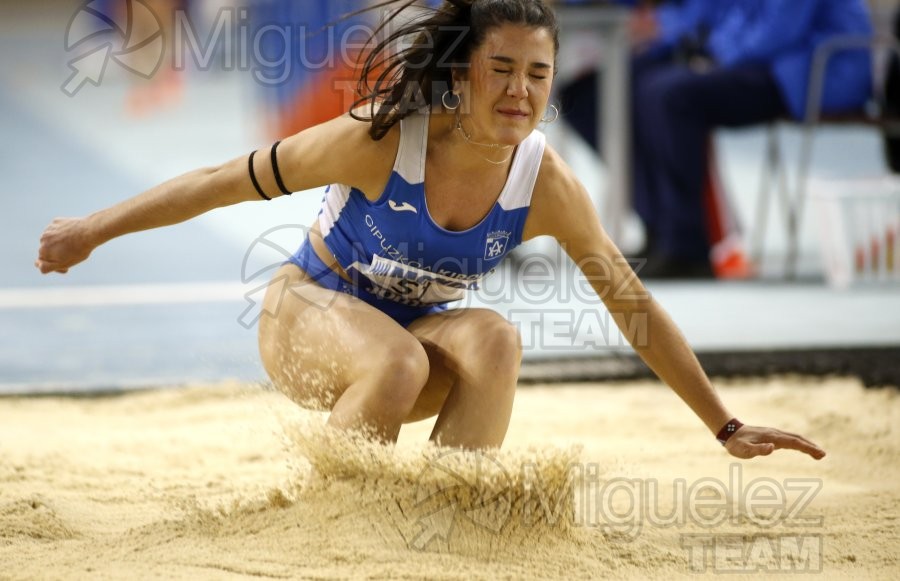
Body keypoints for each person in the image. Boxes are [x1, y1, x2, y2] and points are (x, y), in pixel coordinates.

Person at [36, 0, 826, 459]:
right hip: (302, 317)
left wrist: (723, 424)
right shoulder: (382, 136)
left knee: (495, 340)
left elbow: (633, 308)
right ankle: (341, 523)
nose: (522, 92)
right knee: (396, 359)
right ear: (459, 74)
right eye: (502, 70)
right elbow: (221, 181)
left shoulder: (543, 179)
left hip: (411, 345)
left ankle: (448, 519)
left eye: (539, 75)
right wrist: (92, 231)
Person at [626, 0, 874, 278]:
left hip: (818, 72)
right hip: (779, 65)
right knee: (648, 90)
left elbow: (779, 32)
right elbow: (738, 18)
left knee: (673, 97)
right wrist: (711, 51)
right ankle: (662, 231)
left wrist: (715, 57)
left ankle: (687, 247)